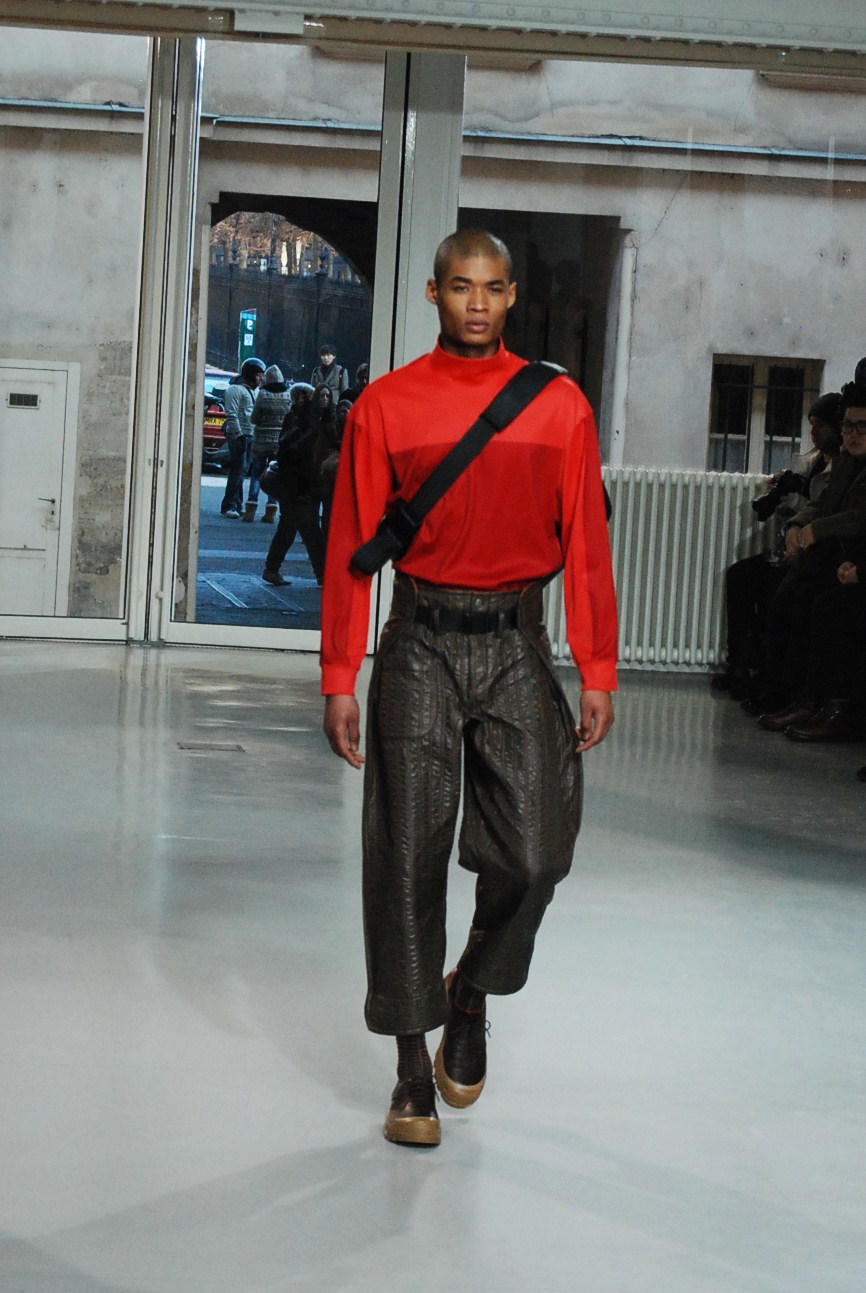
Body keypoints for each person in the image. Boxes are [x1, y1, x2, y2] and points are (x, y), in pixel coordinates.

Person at [320, 229, 618, 1149]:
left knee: (537, 852)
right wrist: (340, 673)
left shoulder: (559, 406)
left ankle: (472, 990)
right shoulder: (385, 405)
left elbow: (588, 543)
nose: (477, 302)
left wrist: (597, 664)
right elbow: (350, 546)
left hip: (517, 640)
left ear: (512, 295)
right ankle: (412, 1069)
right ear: (433, 293)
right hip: (418, 643)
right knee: (405, 852)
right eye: (460, 286)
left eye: (492, 287)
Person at [713, 392, 843, 697]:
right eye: (811, 424)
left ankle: (769, 677)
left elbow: (826, 513)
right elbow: (798, 508)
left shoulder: (841, 467)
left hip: (815, 553)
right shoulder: (811, 461)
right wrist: (781, 498)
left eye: (821, 425)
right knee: (739, 575)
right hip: (792, 547)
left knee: (778, 595)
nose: (814, 431)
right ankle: (739, 663)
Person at [757, 381, 866, 723]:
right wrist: (795, 525)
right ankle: (795, 695)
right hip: (841, 557)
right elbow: (823, 502)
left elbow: (858, 517)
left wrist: (815, 530)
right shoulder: (847, 463)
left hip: (852, 558)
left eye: (862, 427)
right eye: (848, 426)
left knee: (816, 600)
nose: (853, 434)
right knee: (797, 593)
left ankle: (820, 702)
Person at [261, 385, 325, 587]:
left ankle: (272, 568)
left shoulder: (314, 419)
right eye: (299, 395)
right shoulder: (298, 420)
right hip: (296, 483)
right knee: (306, 529)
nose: (302, 399)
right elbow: (288, 450)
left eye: (306, 395)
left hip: (302, 482)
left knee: (293, 527)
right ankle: (321, 573)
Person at [245, 365, 292, 523]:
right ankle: (271, 510)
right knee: (274, 475)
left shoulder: (263, 394)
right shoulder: (287, 395)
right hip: (279, 442)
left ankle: (251, 509)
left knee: (256, 474)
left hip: (261, 441)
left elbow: (254, 418)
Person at [220, 358, 264, 518]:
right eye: (258, 375)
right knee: (238, 469)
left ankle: (237, 505)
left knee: (242, 469)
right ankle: (228, 505)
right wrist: (238, 435)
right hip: (239, 434)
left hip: (249, 433)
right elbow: (231, 414)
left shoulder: (254, 391)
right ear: (250, 374)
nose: (260, 378)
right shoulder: (235, 390)